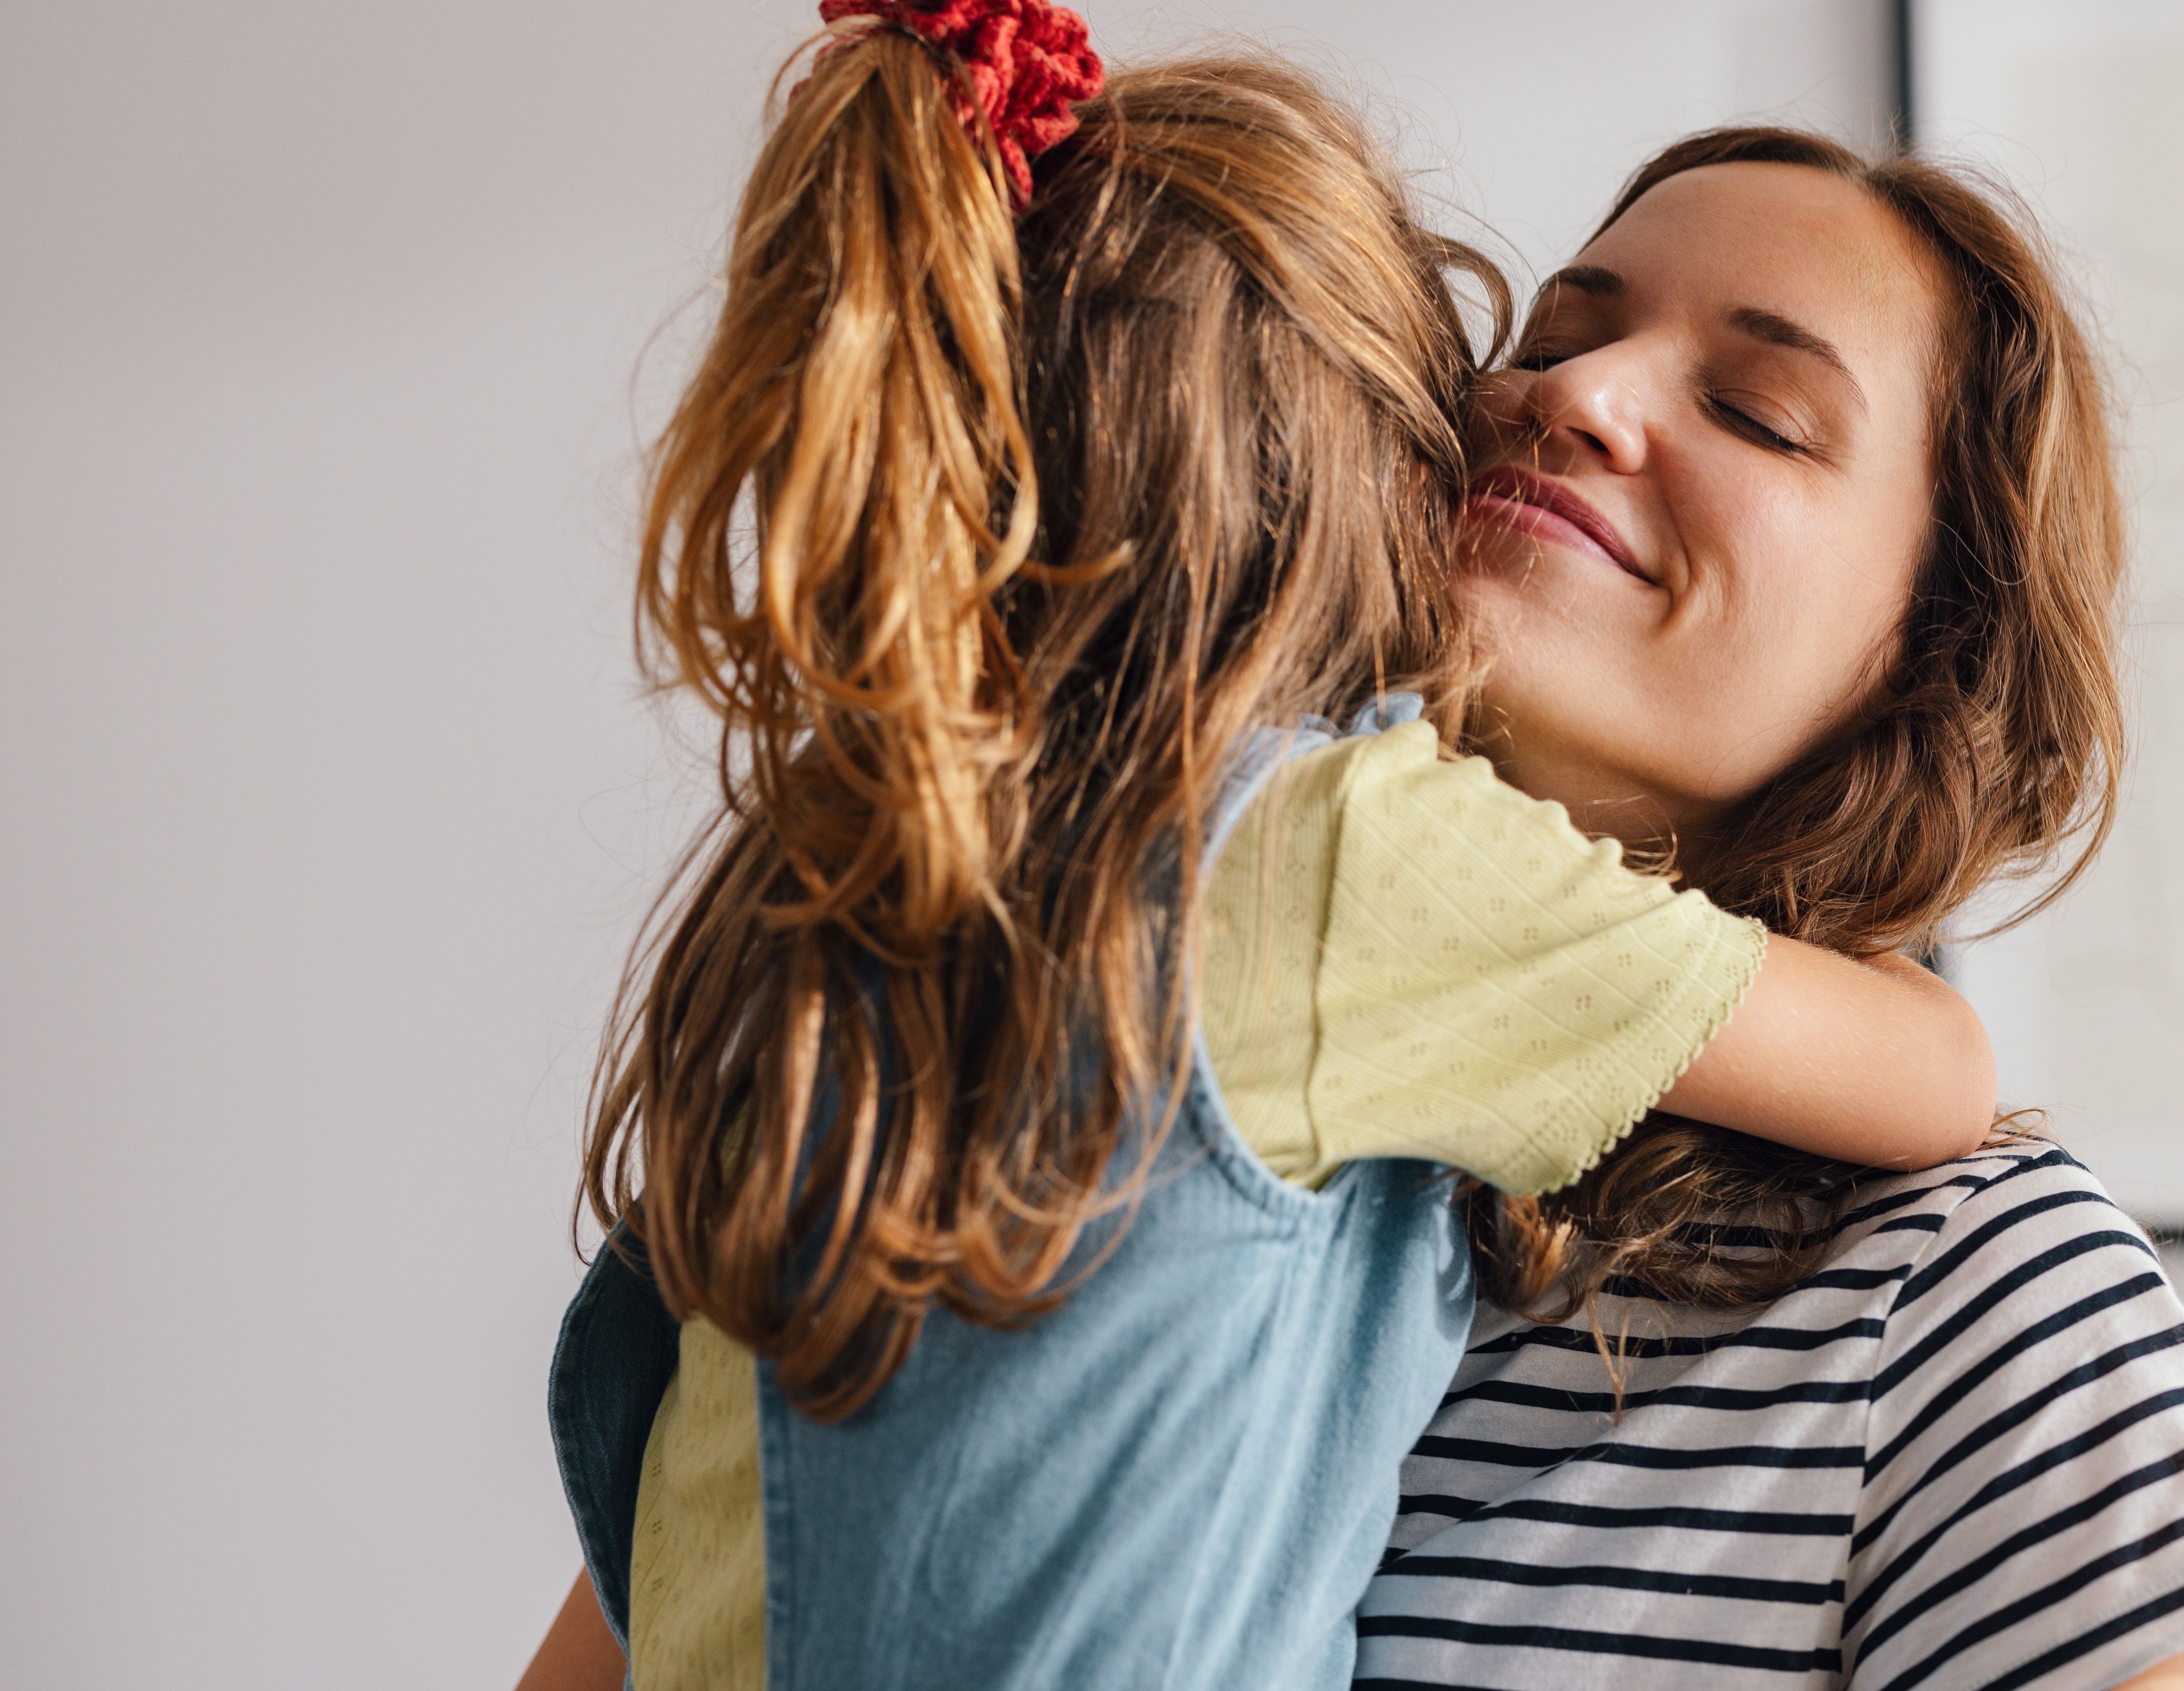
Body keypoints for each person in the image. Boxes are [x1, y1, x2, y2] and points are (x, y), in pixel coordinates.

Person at [523, 12, 2010, 1690]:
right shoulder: (1339, 859)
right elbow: (1933, 1065)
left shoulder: (847, 855)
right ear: (1378, 473)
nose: (1565, 396)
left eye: (1756, 409)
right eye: (1522, 345)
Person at [1353, 130, 2184, 1691]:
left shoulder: (1967, 1285)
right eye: (1554, 338)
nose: (1573, 394)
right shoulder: (1206, 1129)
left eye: (1757, 412)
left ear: (1926, 646)